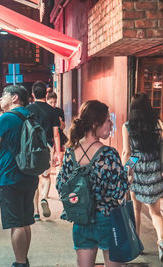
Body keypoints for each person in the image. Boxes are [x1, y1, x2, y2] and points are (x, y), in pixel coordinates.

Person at [56, 100, 128, 267]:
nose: (111, 125)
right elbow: (119, 191)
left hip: (81, 219)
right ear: (96, 124)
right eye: (108, 121)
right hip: (107, 218)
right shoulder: (109, 154)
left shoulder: (70, 152)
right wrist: (127, 176)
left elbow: (61, 185)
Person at [0, 85, 38, 267]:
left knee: (16, 223)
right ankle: (24, 258)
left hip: (10, 175)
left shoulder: (5, 118)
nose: (1, 99)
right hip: (30, 174)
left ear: (14, 97)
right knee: (25, 221)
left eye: (3, 95)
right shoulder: (30, 115)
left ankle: (20, 262)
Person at [121, 93, 163, 264]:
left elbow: (128, 152)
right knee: (155, 212)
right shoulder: (157, 124)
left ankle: (136, 244)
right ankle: (161, 242)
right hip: (155, 168)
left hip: (137, 170)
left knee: (136, 209)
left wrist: (126, 170)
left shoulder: (127, 126)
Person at [27, 81, 61, 220]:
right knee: (46, 177)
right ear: (46, 94)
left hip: (32, 147)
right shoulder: (53, 110)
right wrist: (57, 152)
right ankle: (43, 198)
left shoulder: (28, 109)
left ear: (33, 94)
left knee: (34, 177)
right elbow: (56, 134)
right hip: (47, 147)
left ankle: (35, 212)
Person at [46, 91, 67, 159]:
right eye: (51, 102)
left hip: (60, 136)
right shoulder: (45, 111)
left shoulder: (59, 111)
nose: (53, 104)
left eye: (55, 102)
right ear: (47, 101)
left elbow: (63, 127)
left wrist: (60, 121)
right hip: (49, 138)